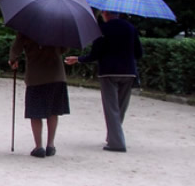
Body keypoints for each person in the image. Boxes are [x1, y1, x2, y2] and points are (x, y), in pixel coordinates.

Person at [65, 10, 143, 152]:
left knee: (111, 108)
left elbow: (95, 54)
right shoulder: (131, 28)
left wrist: (78, 59)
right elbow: (139, 53)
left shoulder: (102, 29)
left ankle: (116, 143)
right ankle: (113, 136)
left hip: (108, 71)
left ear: (106, 14)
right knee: (120, 107)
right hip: (128, 72)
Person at [9, 33, 69, 158]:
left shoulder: (27, 28)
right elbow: (64, 49)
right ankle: (50, 145)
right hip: (56, 74)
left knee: (35, 113)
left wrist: (13, 60)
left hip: (36, 76)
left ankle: (39, 146)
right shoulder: (58, 27)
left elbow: (16, 49)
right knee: (53, 111)